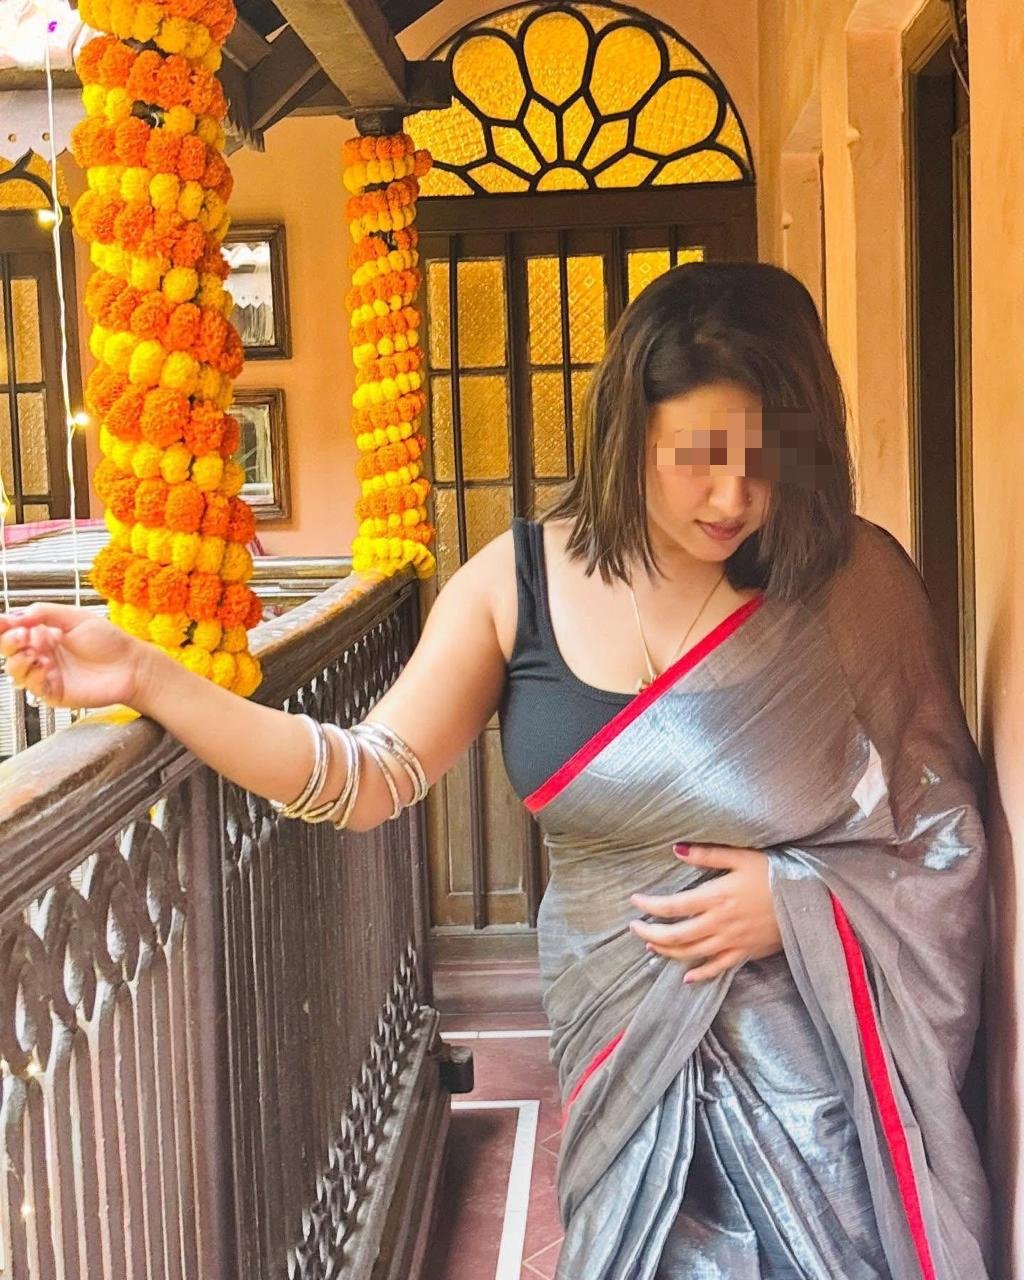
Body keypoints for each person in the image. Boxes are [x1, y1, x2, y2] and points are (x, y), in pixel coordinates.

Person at [0, 262, 991, 1278]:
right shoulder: (516, 585)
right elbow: (364, 777)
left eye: (765, 458)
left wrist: (798, 903)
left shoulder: (849, 584)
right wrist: (151, 677)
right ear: (629, 434)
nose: (733, 495)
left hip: (813, 1082)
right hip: (617, 1053)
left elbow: (941, 830)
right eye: (698, 456)